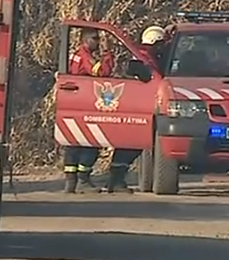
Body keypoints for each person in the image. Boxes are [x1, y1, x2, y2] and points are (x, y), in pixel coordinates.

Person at [99, 25, 168, 194]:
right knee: (131, 144)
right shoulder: (142, 56)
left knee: (131, 144)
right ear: (154, 41)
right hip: (138, 105)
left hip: (141, 105)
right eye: (160, 43)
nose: (162, 47)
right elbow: (139, 71)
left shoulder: (148, 55)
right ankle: (115, 180)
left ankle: (115, 180)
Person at [62, 28, 114, 194]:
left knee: (73, 142)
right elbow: (102, 72)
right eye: (95, 38)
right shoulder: (85, 56)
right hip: (84, 102)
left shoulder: (75, 54)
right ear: (85, 40)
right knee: (91, 142)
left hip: (72, 101)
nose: (97, 41)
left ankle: (70, 182)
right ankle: (83, 179)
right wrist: (107, 53)